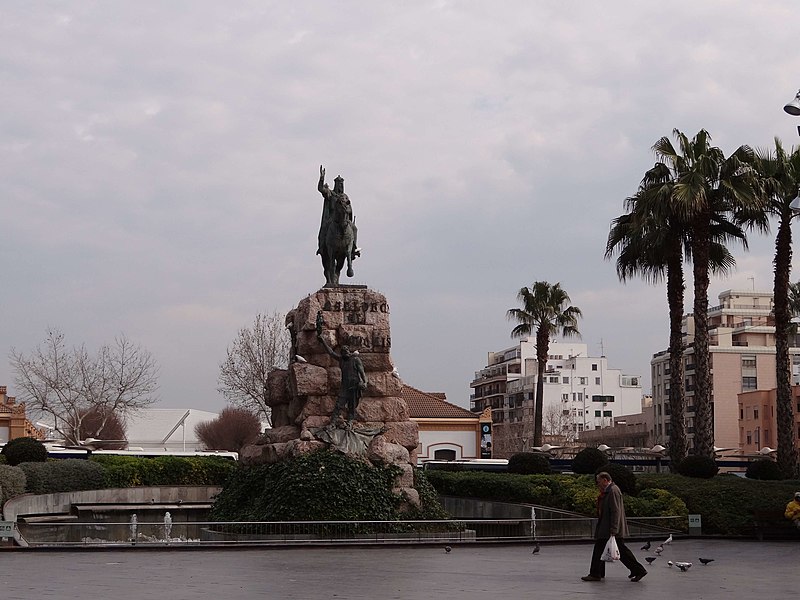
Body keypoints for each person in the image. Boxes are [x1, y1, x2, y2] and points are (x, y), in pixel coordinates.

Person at [582, 471, 647, 583]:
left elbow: (615, 511)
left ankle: (596, 573)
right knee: (618, 550)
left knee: (604, 549)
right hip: (608, 528)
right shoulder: (610, 490)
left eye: (599, 482)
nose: (598, 484)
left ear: (605, 480)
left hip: (609, 529)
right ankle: (636, 570)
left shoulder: (613, 491)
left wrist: (613, 529)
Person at [316, 311, 367, 423]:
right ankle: (333, 423)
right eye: (344, 351)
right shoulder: (342, 360)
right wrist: (323, 341)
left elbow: (362, 373)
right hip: (345, 387)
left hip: (354, 386)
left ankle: (350, 423)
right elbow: (330, 352)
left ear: (349, 351)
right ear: (342, 353)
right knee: (339, 405)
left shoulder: (355, 359)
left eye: (347, 351)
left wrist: (365, 383)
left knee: (352, 407)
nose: (346, 353)